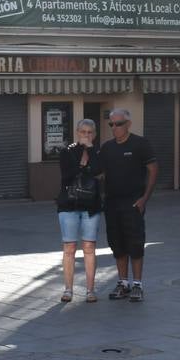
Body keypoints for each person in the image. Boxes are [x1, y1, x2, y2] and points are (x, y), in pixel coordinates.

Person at [98, 109, 157, 303]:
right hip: (112, 203)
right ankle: (123, 283)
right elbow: (99, 173)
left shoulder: (140, 144)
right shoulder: (106, 148)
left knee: (135, 243)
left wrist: (144, 199)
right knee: (117, 244)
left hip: (133, 203)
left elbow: (153, 170)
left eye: (119, 124)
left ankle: (137, 284)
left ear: (128, 124)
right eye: (111, 124)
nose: (115, 127)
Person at [57, 120, 104, 303]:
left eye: (90, 132)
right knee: (69, 247)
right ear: (77, 132)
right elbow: (66, 175)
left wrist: (90, 151)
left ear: (95, 134)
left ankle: (90, 290)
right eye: (83, 132)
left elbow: (100, 171)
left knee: (89, 247)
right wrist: (83, 165)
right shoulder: (67, 151)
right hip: (69, 205)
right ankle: (68, 289)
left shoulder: (98, 152)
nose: (86, 135)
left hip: (91, 206)